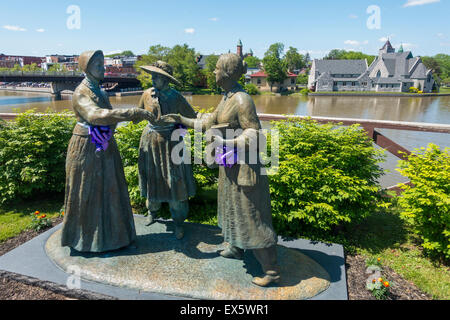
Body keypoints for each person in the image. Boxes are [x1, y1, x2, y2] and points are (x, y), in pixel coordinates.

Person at [163, 54, 280, 286]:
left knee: (251, 216)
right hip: (230, 166)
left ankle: (272, 272)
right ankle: (237, 247)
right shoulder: (227, 97)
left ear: (226, 73)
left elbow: (254, 134)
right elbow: (208, 122)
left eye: (216, 69)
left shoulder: (242, 100)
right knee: (232, 209)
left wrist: (229, 143)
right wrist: (180, 118)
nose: (213, 72)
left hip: (245, 167)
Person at [61, 50, 155, 253]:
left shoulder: (100, 91)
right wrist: (131, 112)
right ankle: (86, 241)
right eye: (98, 65)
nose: (103, 68)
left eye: (103, 64)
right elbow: (96, 115)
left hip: (104, 144)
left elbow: (107, 118)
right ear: (86, 67)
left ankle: (113, 237)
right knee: (88, 191)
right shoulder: (81, 92)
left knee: (111, 190)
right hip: (87, 146)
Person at [137, 61, 197, 240]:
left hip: (171, 142)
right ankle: (152, 212)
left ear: (165, 79)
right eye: (152, 76)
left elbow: (191, 118)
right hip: (150, 140)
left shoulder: (176, 97)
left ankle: (178, 221)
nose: (153, 79)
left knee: (175, 183)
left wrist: (179, 123)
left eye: (157, 76)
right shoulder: (147, 94)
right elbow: (137, 113)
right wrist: (139, 114)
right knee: (152, 179)